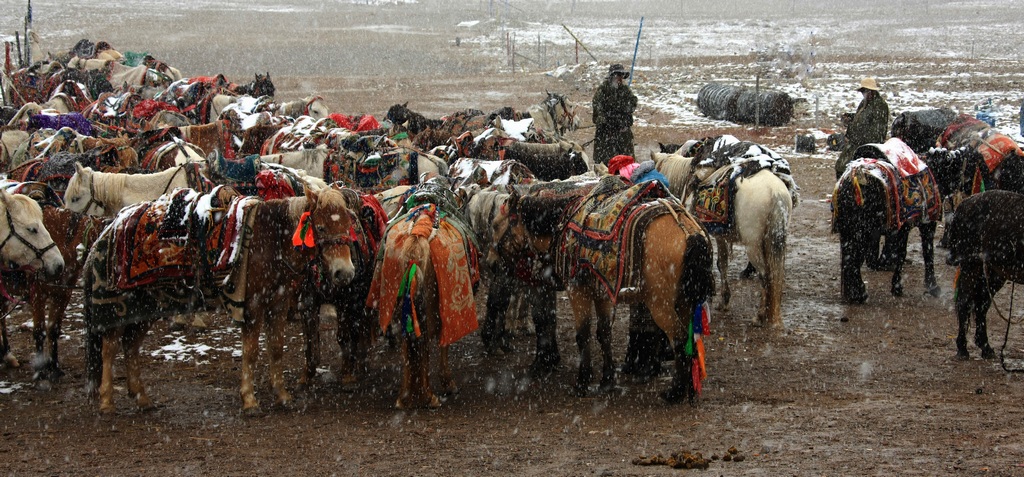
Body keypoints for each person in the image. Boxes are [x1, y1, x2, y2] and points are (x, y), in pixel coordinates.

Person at [835, 77, 889, 179]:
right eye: (862, 91)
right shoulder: (864, 103)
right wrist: (850, 118)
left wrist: (857, 136)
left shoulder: (880, 106)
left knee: (850, 171)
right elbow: (861, 119)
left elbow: (877, 133)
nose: (863, 94)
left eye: (864, 91)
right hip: (855, 143)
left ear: (871, 91)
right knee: (840, 167)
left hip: (866, 147)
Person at [592, 64, 638, 165]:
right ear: (612, 76)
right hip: (606, 135)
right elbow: (597, 107)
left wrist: (622, 113)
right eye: (618, 75)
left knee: (627, 161)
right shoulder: (603, 89)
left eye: (621, 76)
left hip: (623, 133)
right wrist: (606, 119)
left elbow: (632, 102)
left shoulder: (625, 90)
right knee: (607, 162)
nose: (620, 79)